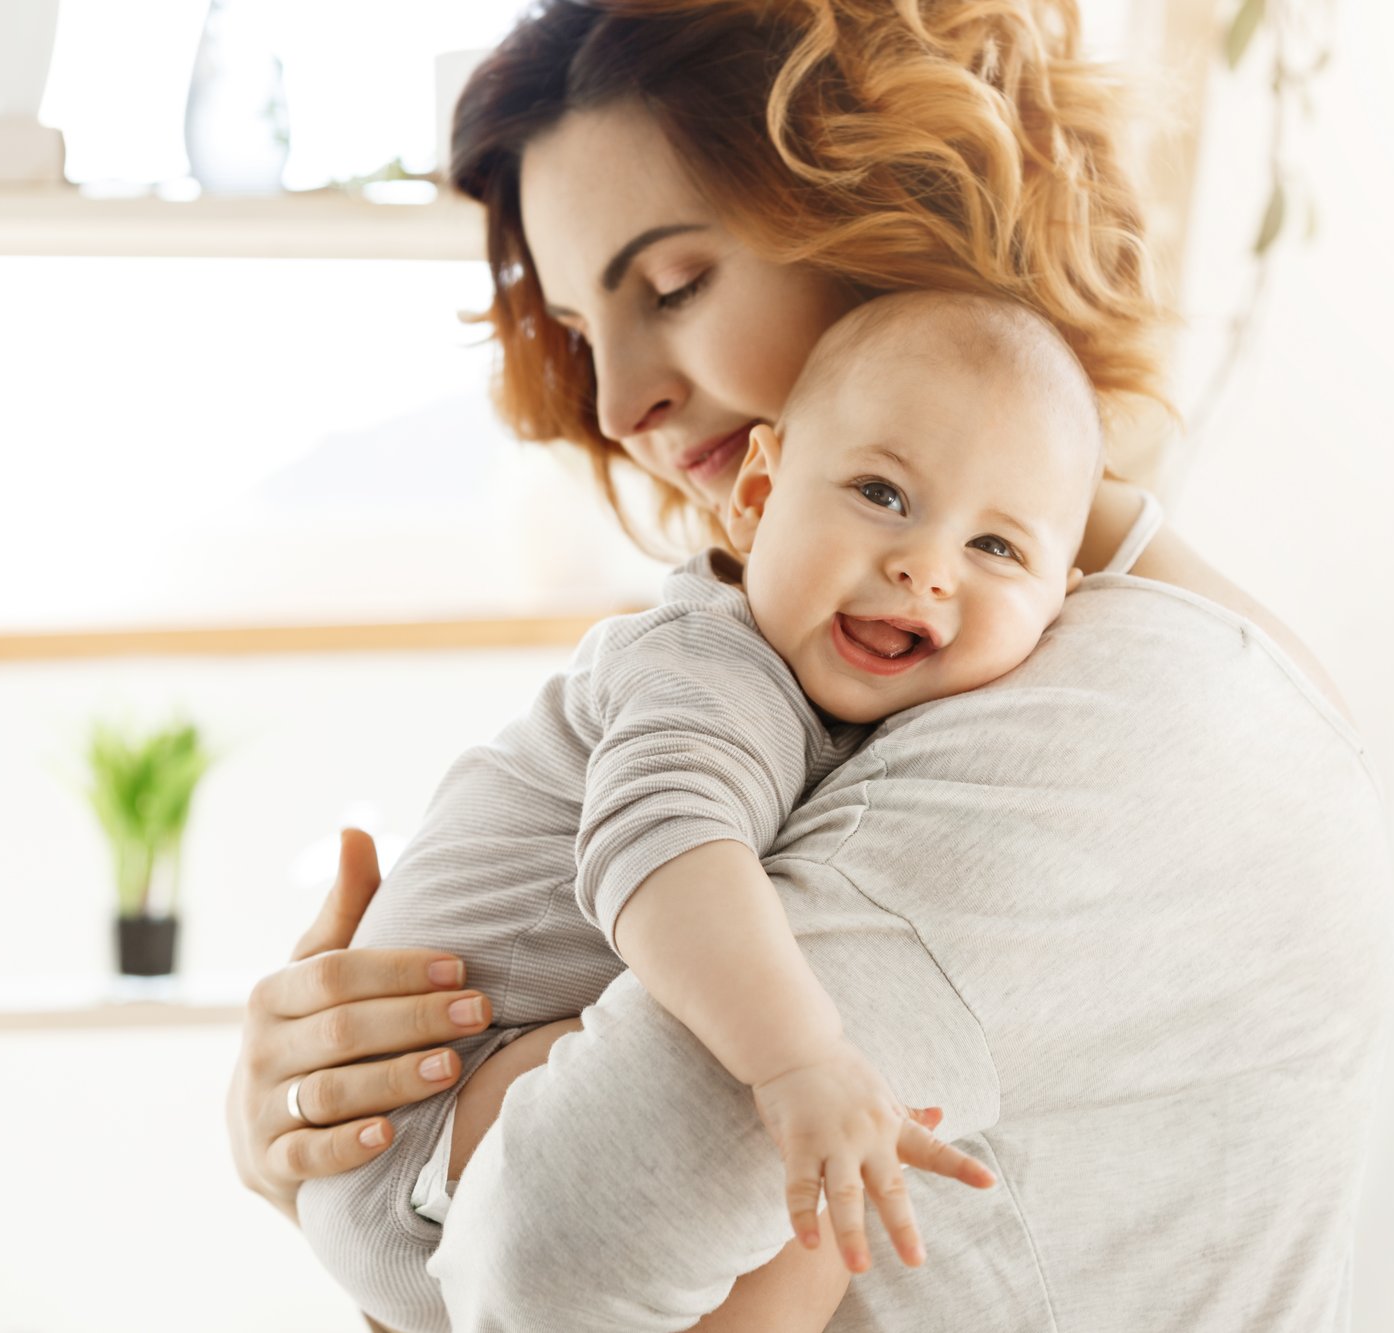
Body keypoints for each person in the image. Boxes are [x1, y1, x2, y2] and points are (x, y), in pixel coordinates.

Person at [225, 3, 1394, 1330]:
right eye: (580, 327)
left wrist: (432, 1132)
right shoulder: (877, 659)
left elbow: (550, 1255)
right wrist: (330, 1146)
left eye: (672, 287)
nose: (617, 408)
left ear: (893, 201)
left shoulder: (1113, 717)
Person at [296, 292, 1106, 1332]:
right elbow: (663, 858)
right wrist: (803, 1058)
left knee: (824, 1212)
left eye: (997, 549)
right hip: (430, 1115)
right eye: (879, 492)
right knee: (782, 1138)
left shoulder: (876, 711)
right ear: (758, 495)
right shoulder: (709, 669)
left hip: (450, 1142)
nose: (926, 566)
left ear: (1061, 601)